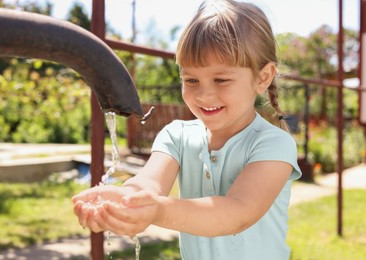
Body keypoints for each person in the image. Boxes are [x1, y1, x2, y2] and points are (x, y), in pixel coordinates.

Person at [72, 0, 302, 259]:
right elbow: (149, 183)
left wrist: (158, 211)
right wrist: (125, 199)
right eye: (191, 80)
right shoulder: (177, 136)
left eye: (221, 79)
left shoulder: (273, 144)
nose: (204, 94)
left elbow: (238, 213)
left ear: (263, 77)